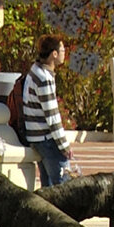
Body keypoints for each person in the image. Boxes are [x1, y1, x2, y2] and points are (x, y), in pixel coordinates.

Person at [21, 35, 73, 188]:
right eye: (62, 49)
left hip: (36, 138)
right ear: (54, 54)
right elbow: (52, 116)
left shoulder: (35, 71)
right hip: (46, 140)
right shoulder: (43, 78)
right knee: (64, 188)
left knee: (48, 188)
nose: (65, 53)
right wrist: (64, 146)